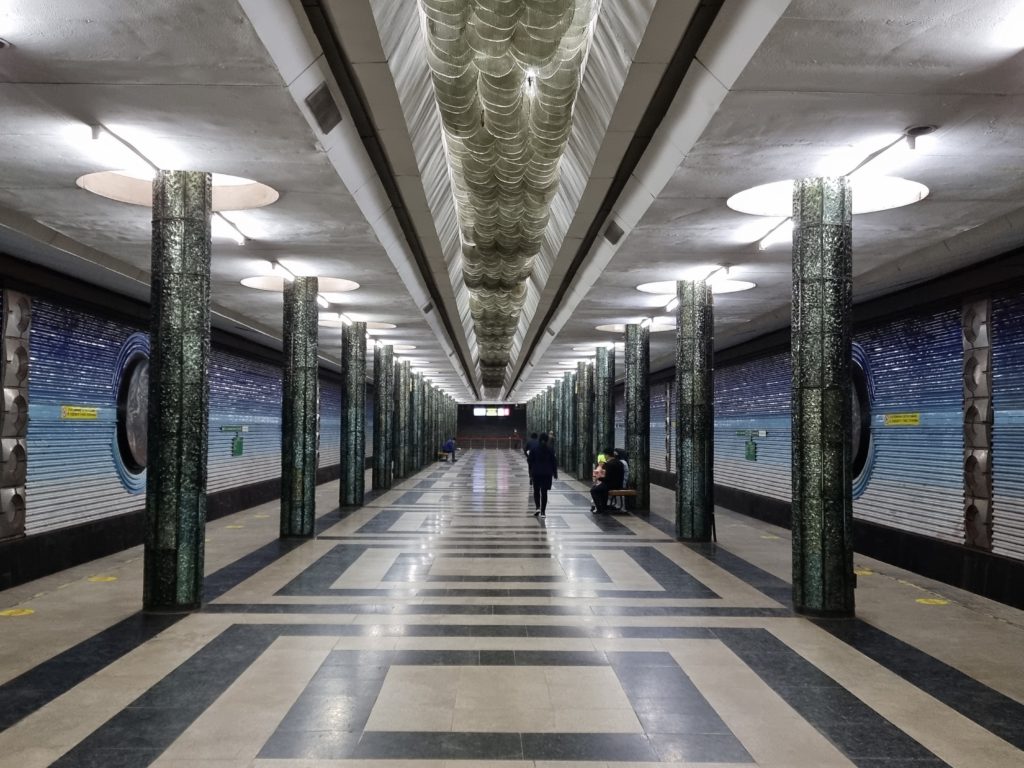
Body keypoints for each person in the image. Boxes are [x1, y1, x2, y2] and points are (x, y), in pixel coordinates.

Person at [529, 432, 557, 518]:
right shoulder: (550, 449)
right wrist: (555, 473)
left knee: (536, 490)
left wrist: (531, 471)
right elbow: (554, 462)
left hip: (536, 472)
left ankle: (537, 507)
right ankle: (543, 512)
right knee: (544, 492)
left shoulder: (534, 449)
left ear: (540, 439)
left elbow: (530, 460)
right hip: (547, 473)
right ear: (547, 440)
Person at [591, 448, 624, 513]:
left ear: (607, 455)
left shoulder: (609, 464)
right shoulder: (619, 462)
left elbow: (607, 477)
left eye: (604, 455)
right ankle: (603, 506)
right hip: (618, 484)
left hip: (610, 484)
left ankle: (599, 508)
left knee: (593, 490)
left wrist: (599, 478)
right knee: (599, 488)